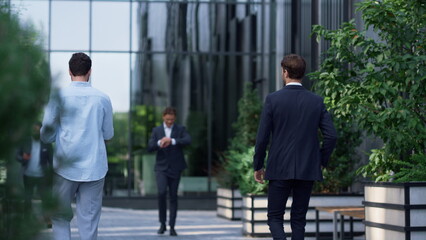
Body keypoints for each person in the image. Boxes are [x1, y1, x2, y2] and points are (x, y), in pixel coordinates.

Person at [253, 54, 337, 240]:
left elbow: (262, 138)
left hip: (279, 167)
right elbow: (331, 136)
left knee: (275, 217)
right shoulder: (316, 101)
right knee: (298, 220)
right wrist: (320, 161)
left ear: (284, 72)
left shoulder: (273, 100)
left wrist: (258, 166)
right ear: (302, 74)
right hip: (307, 168)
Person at [41, 52, 114, 240]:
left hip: (65, 166)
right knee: (88, 222)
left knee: (59, 217)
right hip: (94, 167)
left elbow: (46, 134)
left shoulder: (58, 96)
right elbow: (108, 134)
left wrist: (57, 135)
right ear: (90, 72)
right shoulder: (103, 98)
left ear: (69, 72)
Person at [148, 107, 191, 236]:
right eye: (167, 120)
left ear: (175, 118)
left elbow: (188, 140)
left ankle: (172, 226)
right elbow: (149, 147)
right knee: (161, 193)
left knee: (173, 196)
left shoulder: (180, 129)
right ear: (163, 117)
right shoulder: (157, 130)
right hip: (161, 168)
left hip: (175, 168)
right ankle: (162, 224)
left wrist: (172, 141)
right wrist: (160, 142)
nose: (169, 122)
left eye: (172, 120)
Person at [17, 122, 53, 225]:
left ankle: (47, 220)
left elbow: (51, 160)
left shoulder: (46, 143)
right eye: (34, 130)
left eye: (38, 130)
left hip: (42, 176)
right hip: (28, 175)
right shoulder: (26, 142)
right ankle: (27, 220)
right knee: (27, 199)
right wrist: (22, 158)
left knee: (45, 198)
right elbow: (17, 155)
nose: (36, 131)